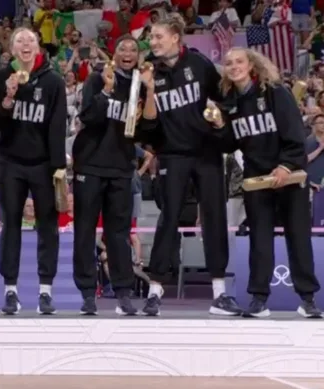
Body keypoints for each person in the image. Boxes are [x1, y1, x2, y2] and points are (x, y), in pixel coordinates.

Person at [139, 19, 239, 316]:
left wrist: (217, 118)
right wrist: (148, 92)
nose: (153, 42)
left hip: (207, 153)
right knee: (168, 218)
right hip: (171, 154)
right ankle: (155, 291)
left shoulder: (199, 64)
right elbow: (147, 125)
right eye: (151, 37)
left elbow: (224, 100)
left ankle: (220, 292)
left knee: (215, 217)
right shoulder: (149, 72)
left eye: (158, 36)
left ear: (175, 37)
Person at [214, 48, 322, 318]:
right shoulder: (229, 101)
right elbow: (230, 143)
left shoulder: (275, 92)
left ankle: (307, 299)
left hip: (289, 174)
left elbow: (295, 132)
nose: (234, 66)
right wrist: (218, 126)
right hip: (256, 179)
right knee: (259, 240)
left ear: (251, 64)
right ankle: (259, 299)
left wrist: (286, 165)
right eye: (228, 63)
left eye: (239, 61)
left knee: (298, 237)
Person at [73, 36, 155, 316]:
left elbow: (145, 130)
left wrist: (150, 91)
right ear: (115, 54)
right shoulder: (98, 78)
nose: (128, 53)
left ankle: (123, 292)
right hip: (91, 165)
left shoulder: (139, 86)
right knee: (84, 231)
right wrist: (106, 91)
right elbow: (87, 115)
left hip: (121, 167)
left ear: (139, 56)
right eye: (123, 48)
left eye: (134, 49)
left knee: (119, 234)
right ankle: (87, 293)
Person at [0, 27, 68, 315]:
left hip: (44, 165)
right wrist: (8, 99)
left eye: (30, 41)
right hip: (10, 162)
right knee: (10, 225)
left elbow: (58, 126)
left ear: (38, 48)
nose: (26, 44)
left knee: (47, 226)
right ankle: (10, 290)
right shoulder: (0, 78)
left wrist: (59, 169)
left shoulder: (54, 82)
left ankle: (45, 291)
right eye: (20, 40)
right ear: (10, 48)